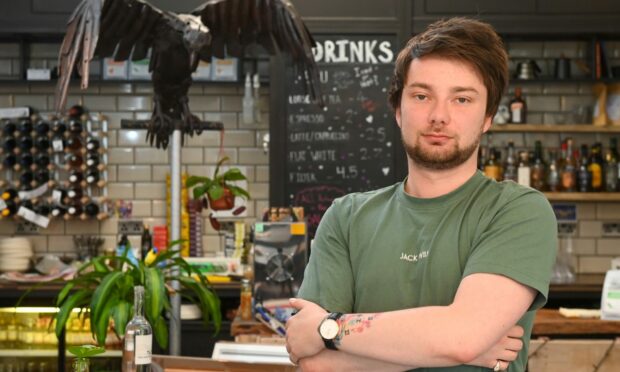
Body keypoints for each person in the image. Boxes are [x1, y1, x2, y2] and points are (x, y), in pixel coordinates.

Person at [285, 17, 557, 372]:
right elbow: (314, 363)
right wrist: (454, 350)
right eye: (422, 96)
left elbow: (459, 338)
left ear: (488, 116)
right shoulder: (345, 217)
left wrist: (328, 329)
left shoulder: (518, 211)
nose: (439, 116)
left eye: (462, 99)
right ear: (398, 109)